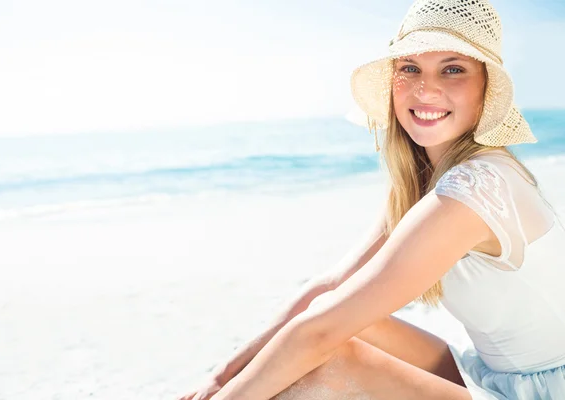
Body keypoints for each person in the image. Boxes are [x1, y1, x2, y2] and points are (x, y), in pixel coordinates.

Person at [178, 0, 565, 399]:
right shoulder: (428, 182)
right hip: (497, 376)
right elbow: (330, 288)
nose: (425, 88)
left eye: (453, 69)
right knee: (326, 324)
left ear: (486, 90)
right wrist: (221, 378)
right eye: (410, 68)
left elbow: (321, 334)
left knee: (322, 362)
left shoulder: (476, 186)